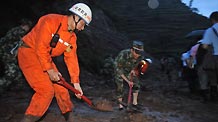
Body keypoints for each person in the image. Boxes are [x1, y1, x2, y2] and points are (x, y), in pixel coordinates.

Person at [17, 3, 92, 122]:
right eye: (83, 24)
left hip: (45, 57)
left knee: (61, 87)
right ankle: (29, 119)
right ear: (76, 18)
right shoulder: (50, 21)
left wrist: (76, 83)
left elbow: (71, 59)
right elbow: (40, 47)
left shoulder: (72, 38)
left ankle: (69, 115)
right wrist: (50, 70)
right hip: (29, 52)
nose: (82, 28)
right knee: (46, 90)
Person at [113, 40, 152, 111]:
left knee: (136, 84)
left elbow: (137, 65)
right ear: (132, 50)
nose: (138, 55)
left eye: (139, 53)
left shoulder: (140, 56)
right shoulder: (123, 54)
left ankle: (135, 103)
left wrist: (134, 70)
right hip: (119, 70)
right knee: (120, 87)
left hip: (129, 70)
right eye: (136, 53)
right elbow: (118, 70)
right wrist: (128, 81)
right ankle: (120, 106)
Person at [0, 18, 33, 93]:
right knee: (12, 72)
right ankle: (2, 85)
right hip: (7, 54)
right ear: (25, 26)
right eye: (28, 27)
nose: (28, 29)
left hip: (9, 53)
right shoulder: (19, 31)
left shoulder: (17, 30)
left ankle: (16, 91)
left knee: (17, 73)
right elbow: (24, 43)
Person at [201, 11, 218, 102]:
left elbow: (205, 46)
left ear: (212, 20)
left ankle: (214, 97)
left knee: (213, 78)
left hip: (215, 57)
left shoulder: (210, 30)